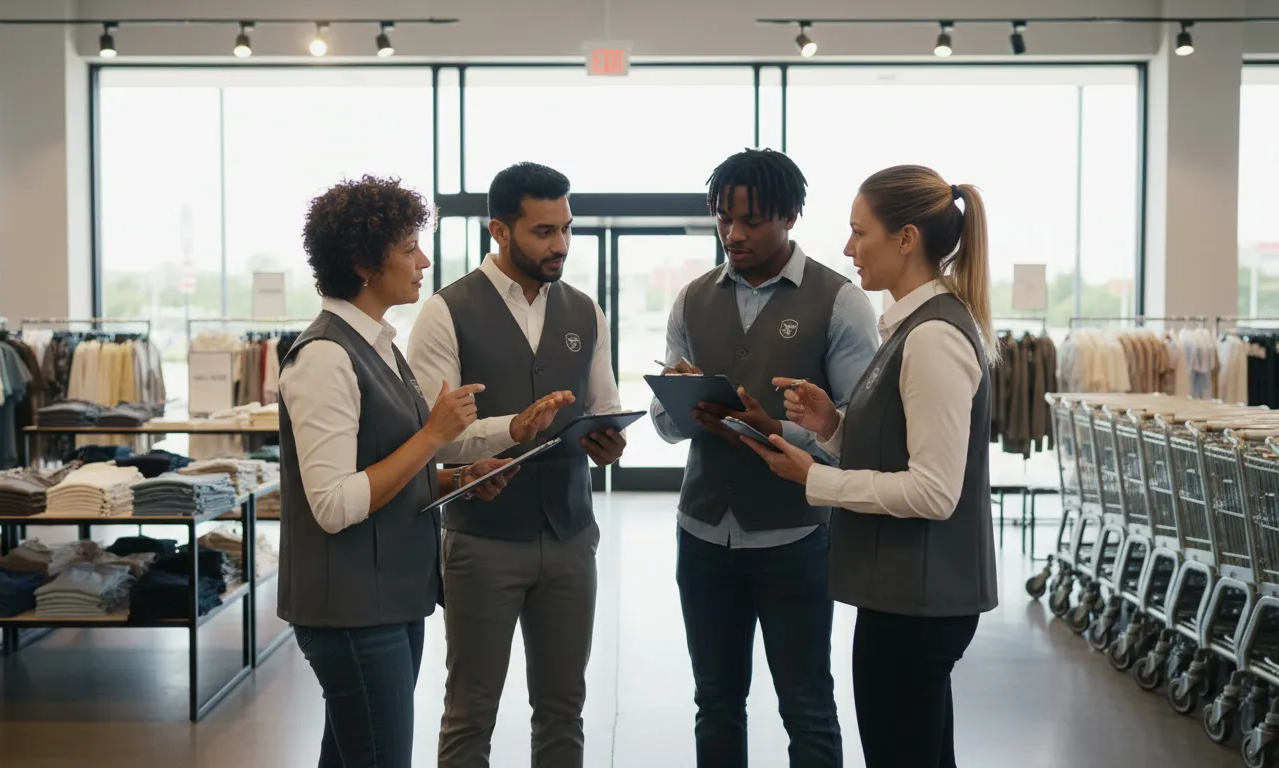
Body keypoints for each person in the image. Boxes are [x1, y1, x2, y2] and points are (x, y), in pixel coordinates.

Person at [277, 175, 548, 768]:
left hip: (388, 599)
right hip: (351, 609)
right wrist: (433, 436)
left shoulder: (377, 346)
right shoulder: (324, 357)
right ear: (362, 263)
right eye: (408, 249)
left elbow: (382, 469)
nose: (423, 261)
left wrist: (460, 477)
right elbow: (333, 503)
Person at [742, 164, 1000, 768]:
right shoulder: (912, 327)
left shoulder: (933, 338)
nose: (847, 248)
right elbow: (903, 446)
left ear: (906, 239)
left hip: (919, 599)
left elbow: (936, 491)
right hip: (908, 596)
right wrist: (833, 424)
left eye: (860, 233)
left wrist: (816, 479)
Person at [649, 148, 879, 768]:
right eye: (725, 219)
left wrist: (772, 429)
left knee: (806, 705)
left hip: (796, 538)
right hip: (701, 535)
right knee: (716, 702)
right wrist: (680, 401)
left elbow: (859, 436)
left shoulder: (840, 302)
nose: (735, 234)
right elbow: (665, 427)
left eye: (751, 221)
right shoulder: (692, 298)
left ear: (791, 215)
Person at [407, 161, 626, 768]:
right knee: (470, 711)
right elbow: (432, 440)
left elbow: (601, 406)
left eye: (566, 229)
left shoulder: (586, 311)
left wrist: (608, 439)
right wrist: (512, 429)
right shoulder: (444, 313)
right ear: (498, 231)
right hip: (483, 543)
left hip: (570, 537)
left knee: (563, 709)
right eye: (543, 232)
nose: (560, 245)